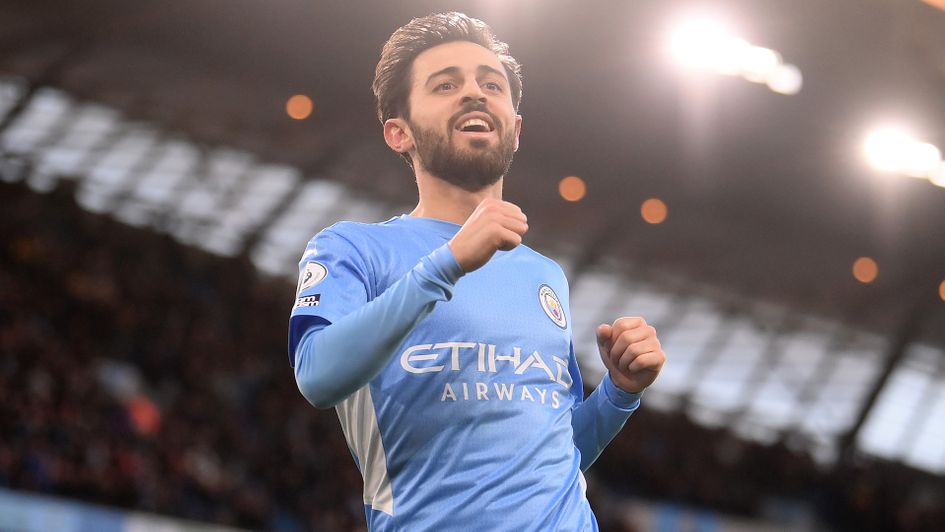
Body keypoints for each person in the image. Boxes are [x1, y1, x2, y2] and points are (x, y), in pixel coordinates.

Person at [288, 12, 666, 531]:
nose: (475, 93)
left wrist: (618, 394)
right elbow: (317, 374)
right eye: (446, 85)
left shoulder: (544, 275)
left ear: (515, 127)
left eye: (491, 84)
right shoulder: (355, 249)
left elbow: (551, 454)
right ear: (399, 134)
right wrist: (446, 264)